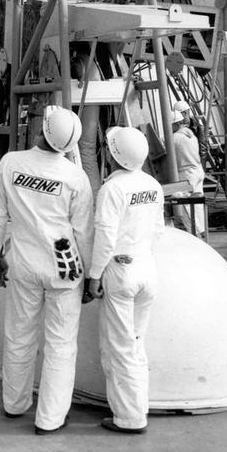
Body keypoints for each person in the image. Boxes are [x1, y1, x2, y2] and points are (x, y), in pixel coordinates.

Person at [0, 106, 93, 436]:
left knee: (19, 336)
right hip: (64, 268)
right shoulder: (75, 177)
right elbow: (84, 232)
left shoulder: (11, 164)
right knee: (60, 344)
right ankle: (50, 418)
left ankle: (14, 404)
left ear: (41, 130)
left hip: (23, 265)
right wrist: (91, 276)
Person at [87, 126, 165, 434]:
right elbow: (158, 230)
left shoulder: (112, 189)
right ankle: (138, 407)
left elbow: (105, 238)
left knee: (120, 348)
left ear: (113, 155)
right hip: (146, 267)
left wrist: (94, 276)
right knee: (136, 343)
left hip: (121, 271)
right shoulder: (153, 185)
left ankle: (129, 418)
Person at [171, 108, 206, 237]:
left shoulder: (174, 138)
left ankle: (195, 235)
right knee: (197, 204)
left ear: (175, 124)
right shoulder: (191, 135)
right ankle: (202, 230)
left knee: (185, 206)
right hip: (198, 171)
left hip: (187, 174)